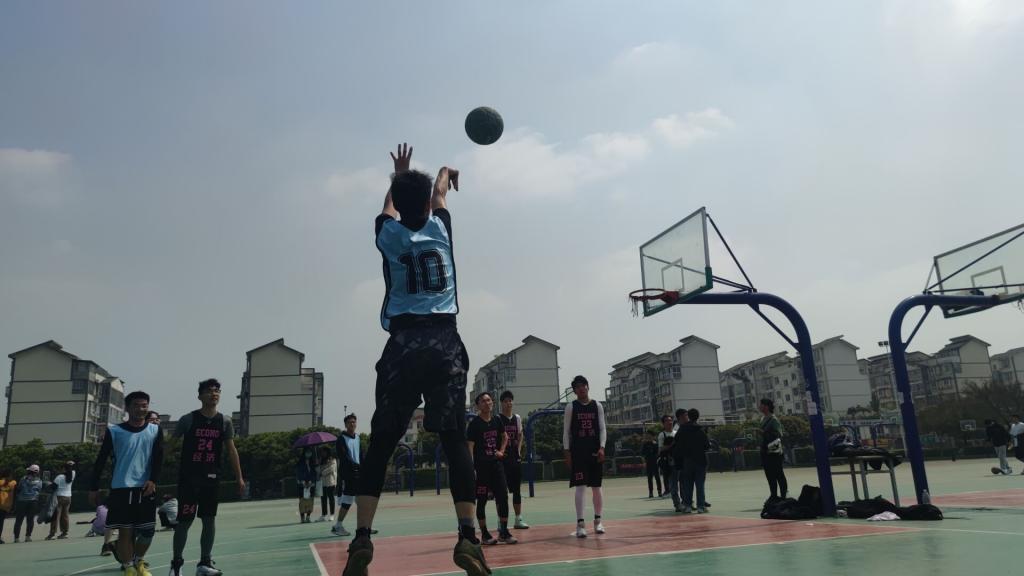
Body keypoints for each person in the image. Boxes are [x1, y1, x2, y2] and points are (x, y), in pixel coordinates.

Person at [342, 143, 490, 576]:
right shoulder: (441, 228)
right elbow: (440, 193)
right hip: (444, 343)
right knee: (455, 440)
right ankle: (467, 537)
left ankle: (362, 537)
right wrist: (444, 170)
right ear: (427, 204)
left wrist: (398, 175)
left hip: (402, 344)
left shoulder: (387, 234)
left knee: (382, 442)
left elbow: (390, 207)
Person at [169, 378, 245, 576]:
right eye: (209, 390)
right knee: (184, 521)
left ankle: (204, 563)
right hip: (189, 479)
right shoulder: (188, 419)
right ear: (200, 396)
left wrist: (239, 477)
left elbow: (232, 450)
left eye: (217, 390)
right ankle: (176, 564)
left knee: (209, 520)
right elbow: (170, 446)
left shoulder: (225, 421)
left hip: (211, 478)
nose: (214, 394)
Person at [90, 390, 164, 576]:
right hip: (121, 487)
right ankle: (129, 567)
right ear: (127, 408)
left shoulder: (155, 430)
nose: (141, 409)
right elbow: (101, 460)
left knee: (147, 531)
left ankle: (138, 560)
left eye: (144, 406)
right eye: (136, 405)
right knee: (125, 531)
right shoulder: (114, 431)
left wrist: (153, 480)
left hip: (145, 488)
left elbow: (158, 458)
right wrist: (93, 487)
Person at [467, 392, 515, 545]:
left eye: (489, 400)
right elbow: (470, 446)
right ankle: (485, 534)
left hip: (496, 465)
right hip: (481, 468)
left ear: (492, 403)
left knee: (503, 497)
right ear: (478, 405)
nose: (487, 403)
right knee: (481, 500)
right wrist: (471, 468)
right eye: (483, 401)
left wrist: (501, 451)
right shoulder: (474, 424)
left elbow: (505, 436)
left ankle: (504, 532)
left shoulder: (497, 420)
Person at [563, 375, 607, 538]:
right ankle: (580, 523)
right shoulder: (571, 407)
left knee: (597, 487)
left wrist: (602, 447)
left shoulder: (597, 405)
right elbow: (566, 431)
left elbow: (602, 428)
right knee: (580, 486)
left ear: (588, 386)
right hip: (578, 452)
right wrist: (567, 452)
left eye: (583, 385)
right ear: (575, 391)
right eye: (578, 387)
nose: (581, 388)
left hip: (595, 451)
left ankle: (598, 521)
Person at [498, 390, 529, 529]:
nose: (508, 403)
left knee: (517, 490)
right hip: (502, 459)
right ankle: (501, 521)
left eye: (510, 400)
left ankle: (518, 519)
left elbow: (520, 434)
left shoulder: (517, 418)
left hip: (514, 458)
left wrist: (518, 450)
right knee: (501, 492)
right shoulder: (497, 419)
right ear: (501, 403)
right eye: (506, 401)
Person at [331, 414, 364, 537]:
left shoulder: (358, 438)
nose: (352, 424)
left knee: (362, 500)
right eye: (350, 422)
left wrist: (363, 467)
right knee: (348, 501)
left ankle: (364, 526)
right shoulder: (341, 439)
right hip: (348, 474)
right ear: (345, 424)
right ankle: (338, 526)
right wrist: (355, 466)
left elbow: (360, 455)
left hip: (358, 473)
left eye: (354, 422)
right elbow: (344, 457)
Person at [675, 408, 710, 514]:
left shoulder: (682, 429)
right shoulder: (700, 430)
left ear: (688, 416)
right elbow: (707, 446)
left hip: (687, 460)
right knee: (700, 484)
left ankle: (688, 506)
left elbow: (677, 443)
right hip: (700, 459)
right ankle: (701, 507)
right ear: (697, 417)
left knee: (687, 484)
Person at [759, 398, 787, 499]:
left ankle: (783, 496)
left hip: (774, 450)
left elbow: (779, 434)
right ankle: (773, 495)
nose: (760, 406)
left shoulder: (773, 419)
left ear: (767, 406)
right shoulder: (762, 419)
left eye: (761, 404)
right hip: (765, 450)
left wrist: (764, 433)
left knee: (778, 473)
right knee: (769, 474)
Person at [46, 460, 77, 539]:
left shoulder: (59, 477)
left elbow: (53, 487)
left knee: (55, 516)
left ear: (64, 468)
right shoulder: (73, 474)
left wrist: (48, 484)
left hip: (59, 497)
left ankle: (52, 534)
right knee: (65, 515)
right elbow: (70, 471)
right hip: (68, 497)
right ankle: (64, 533)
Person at [13, 464, 42, 542]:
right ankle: (28, 537)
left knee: (19, 520)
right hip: (33, 501)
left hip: (22, 501)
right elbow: (39, 489)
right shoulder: (39, 480)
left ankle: (16, 538)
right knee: (30, 520)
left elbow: (19, 488)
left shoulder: (23, 479)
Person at [669, 408, 689, 512]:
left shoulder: (687, 427)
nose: (687, 417)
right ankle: (678, 503)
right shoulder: (676, 429)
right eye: (686, 415)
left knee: (684, 482)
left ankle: (686, 502)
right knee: (675, 483)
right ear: (680, 417)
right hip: (676, 460)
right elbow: (671, 443)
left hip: (685, 459)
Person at [296, 450, 318, 523]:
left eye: (310, 452)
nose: (309, 453)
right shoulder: (300, 463)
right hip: (302, 485)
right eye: (307, 452)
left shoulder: (313, 462)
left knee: (310, 501)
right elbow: (299, 473)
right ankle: (302, 517)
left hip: (311, 484)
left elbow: (314, 473)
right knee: (302, 501)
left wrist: (311, 481)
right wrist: (303, 481)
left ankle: (308, 516)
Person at [656, 415, 675, 499]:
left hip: (677, 457)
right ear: (663, 423)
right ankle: (668, 491)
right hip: (666, 459)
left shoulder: (676, 433)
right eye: (667, 421)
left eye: (670, 420)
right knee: (667, 475)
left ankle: (675, 491)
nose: (669, 422)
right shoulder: (662, 435)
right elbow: (660, 449)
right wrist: (671, 445)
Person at [318, 447, 338, 523]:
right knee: (323, 499)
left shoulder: (333, 460)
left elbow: (331, 469)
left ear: (328, 452)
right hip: (323, 483)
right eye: (322, 452)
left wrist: (322, 472)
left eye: (324, 452)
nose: (323, 453)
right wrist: (317, 465)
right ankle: (324, 514)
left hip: (331, 482)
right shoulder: (321, 460)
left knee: (331, 498)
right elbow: (318, 470)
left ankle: (332, 514)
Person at [641, 432, 662, 498]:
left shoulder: (656, 444)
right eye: (647, 436)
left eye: (650, 436)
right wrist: (644, 462)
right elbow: (642, 454)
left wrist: (658, 460)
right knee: (649, 478)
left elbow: (658, 453)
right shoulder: (645, 444)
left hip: (655, 463)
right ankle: (651, 493)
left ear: (653, 437)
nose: (648, 437)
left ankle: (659, 492)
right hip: (648, 463)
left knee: (657, 478)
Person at [0, 468, 16, 544]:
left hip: (4, 506)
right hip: (4, 506)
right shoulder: (13, 483)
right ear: (9, 475)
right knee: (0, 523)